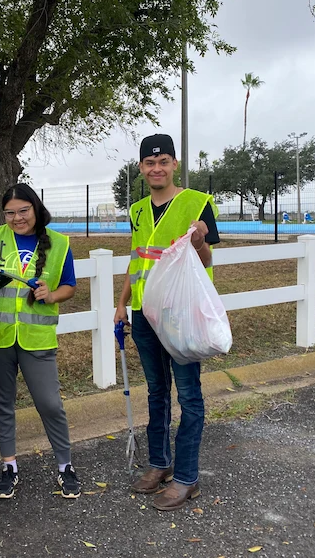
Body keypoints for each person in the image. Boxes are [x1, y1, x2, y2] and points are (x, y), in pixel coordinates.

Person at [113, 134, 220, 511]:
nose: (156, 169)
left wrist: (200, 242)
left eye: (164, 162)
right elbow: (136, 258)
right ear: (141, 168)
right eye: (149, 163)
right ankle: (160, 463)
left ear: (175, 164)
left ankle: (187, 478)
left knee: (189, 396)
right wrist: (122, 303)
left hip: (180, 316)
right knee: (156, 392)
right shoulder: (138, 209)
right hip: (144, 314)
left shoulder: (197, 204)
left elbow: (205, 262)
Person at [0, 183, 81, 499]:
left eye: (23, 210)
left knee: (50, 403)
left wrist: (51, 295)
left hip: (36, 338)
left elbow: (70, 286)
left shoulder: (59, 243)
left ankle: (65, 466)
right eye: (10, 212)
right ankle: (9, 466)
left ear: (35, 208)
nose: (17, 218)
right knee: (2, 403)